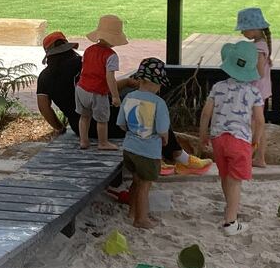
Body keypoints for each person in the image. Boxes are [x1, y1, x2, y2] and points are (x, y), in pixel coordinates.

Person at [36, 30, 211, 174]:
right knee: (148, 110)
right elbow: (103, 86)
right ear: (68, 48)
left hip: (81, 129)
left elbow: (44, 108)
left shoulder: (44, 78)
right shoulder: (83, 62)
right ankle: (178, 157)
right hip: (107, 120)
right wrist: (126, 84)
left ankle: (168, 156)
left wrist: (60, 127)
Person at [198, 41, 265, 235]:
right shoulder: (254, 92)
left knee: (225, 175)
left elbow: (205, 113)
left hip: (219, 138)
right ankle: (230, 222)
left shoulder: (218, 87)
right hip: (240, 139)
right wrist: (255, 141)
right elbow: (259, 121)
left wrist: (203, 135)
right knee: (236, 180)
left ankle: (230, 207)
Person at [117, 57, 170, 229]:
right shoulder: (158, 103)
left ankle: (132, 211)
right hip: (148, 152)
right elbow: (162, 130)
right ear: (156, 83)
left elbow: (121, 124)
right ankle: (141, 219)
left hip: (129, 149)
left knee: (136, 180)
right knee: (145, 185)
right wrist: (165, 139)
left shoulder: (129, 97)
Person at [76, 14, 127, 151]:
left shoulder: (88, 50)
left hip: (81, 88)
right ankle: (103, 142)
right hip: (97, 92)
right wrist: (115, 96)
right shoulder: (111, 56)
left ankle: (83, 141)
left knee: (84, 116)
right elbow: (110, 77)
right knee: (102, 120)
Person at [236, 6, 272, 167]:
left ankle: (252, 156)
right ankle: (259, 158)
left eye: (244, 29)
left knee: (253, 125)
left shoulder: (258, 48)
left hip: (255, 90)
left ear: (254, 28)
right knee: (258, 124)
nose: (242, 33)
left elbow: (259, 72)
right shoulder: (262, 44)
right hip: (260, 90)